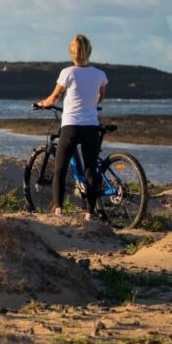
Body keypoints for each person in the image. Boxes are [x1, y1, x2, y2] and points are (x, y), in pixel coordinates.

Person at [37, 34, 108, 221]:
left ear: (71, 53)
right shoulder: (100, 75)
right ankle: (89, 213)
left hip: (71, 127)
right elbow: (100, 97)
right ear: (89, 52)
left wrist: (42, 104)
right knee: (90, 170)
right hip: (91, 126)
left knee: (60, 169)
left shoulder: (67, 72)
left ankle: (59, 210)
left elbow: (54, 98)